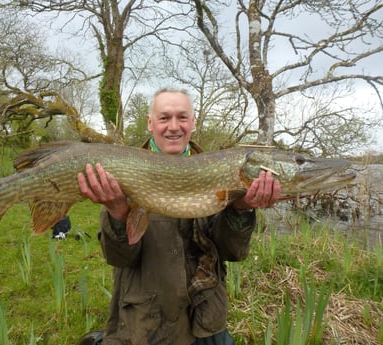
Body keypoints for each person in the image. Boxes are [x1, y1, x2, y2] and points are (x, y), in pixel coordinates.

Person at [76, 88, 281, 345]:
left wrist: (241, 208)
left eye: (182, 117)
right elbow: (119, 257)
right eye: (164, 118)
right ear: (150, 123)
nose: (174, 127)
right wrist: (117, 211)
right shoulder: (122, 171)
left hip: (205, 319)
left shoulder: (220, 173)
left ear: (193, 122)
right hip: (146, 323)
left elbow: (232, 253)